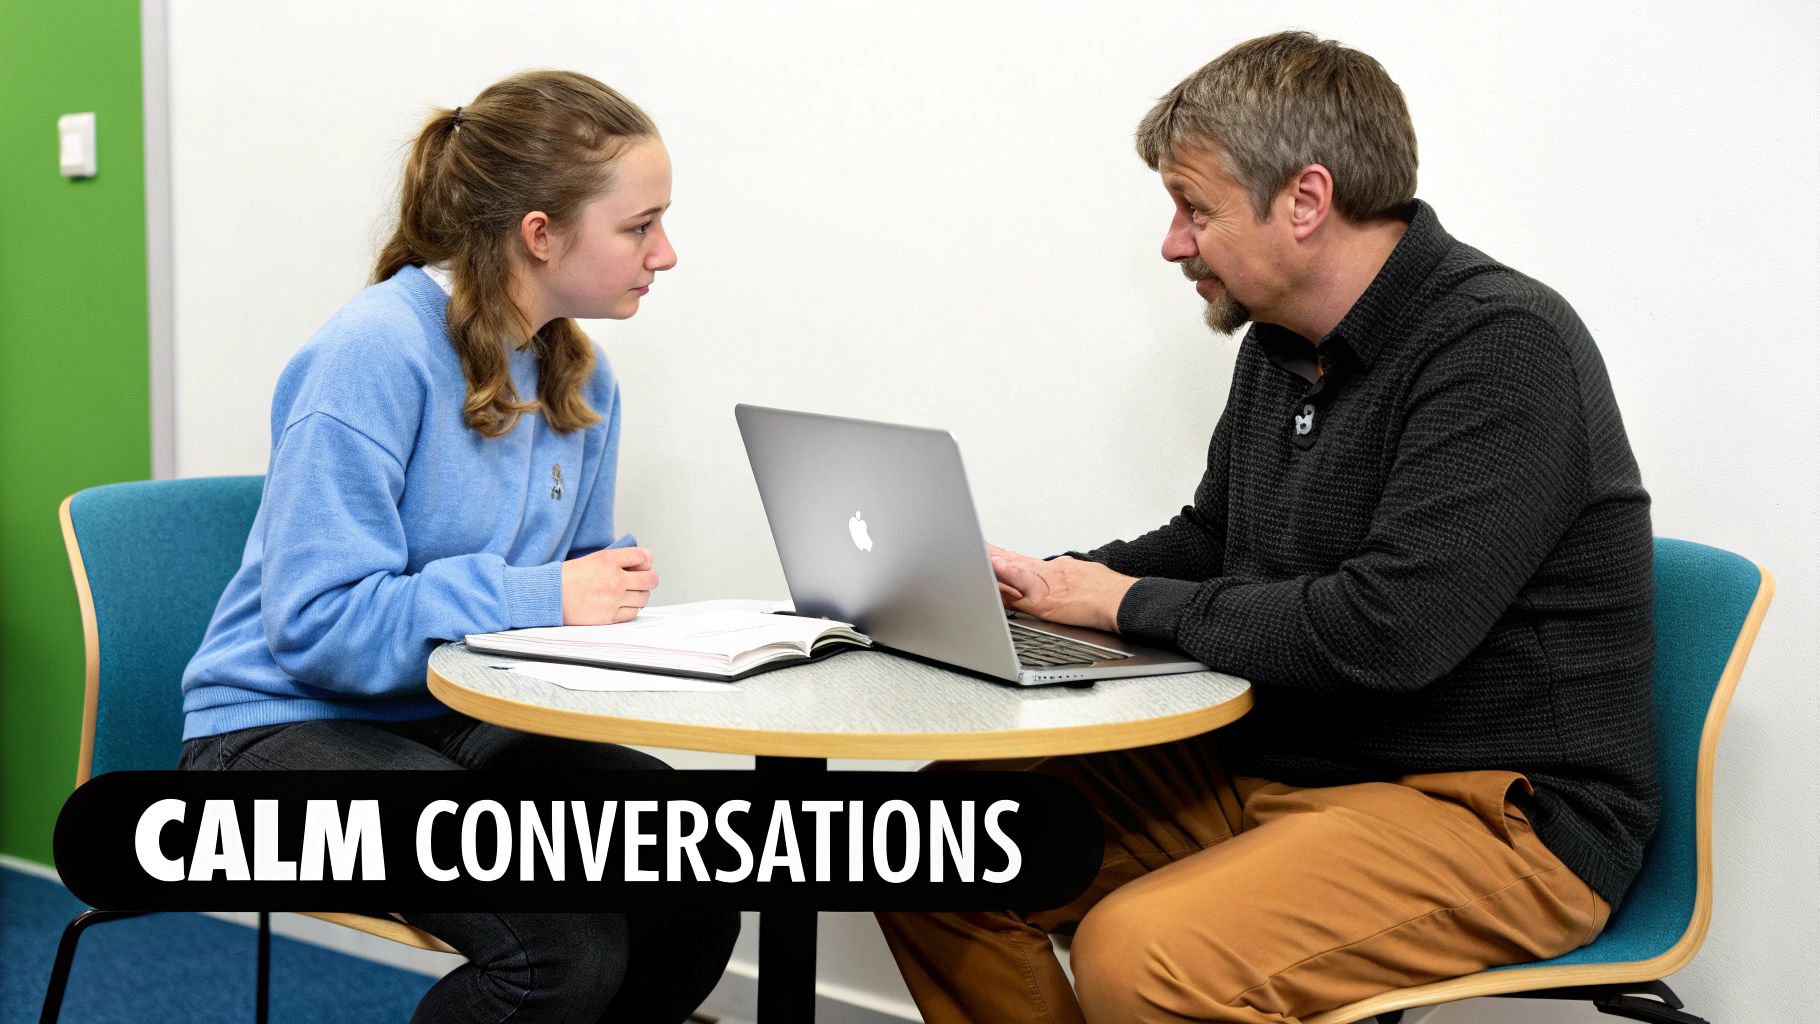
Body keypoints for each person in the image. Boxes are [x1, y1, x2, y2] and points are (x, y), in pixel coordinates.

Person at [877, 31, 1657, 1024]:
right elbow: (1215, 541)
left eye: (1192, 207)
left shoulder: (1500, 348)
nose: (1171, 241)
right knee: (932, 843)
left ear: (1304, 201)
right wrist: (1051, 579)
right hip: (1280, 762)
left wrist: (1122, 603)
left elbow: (1387, 633)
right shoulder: (1280, 345)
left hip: (1490, 810)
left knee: (1141, 955)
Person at [179, 71, 738, 1023]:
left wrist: (620, 623)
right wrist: (541, 595)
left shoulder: (580, 372)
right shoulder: (373, 354)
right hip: (274, 729)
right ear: (540, 233)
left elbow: (553, 604)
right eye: (640, 226)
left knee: (692, 876)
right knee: (560, 945)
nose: (667, 253)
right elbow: (317, 626)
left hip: (444, 718)